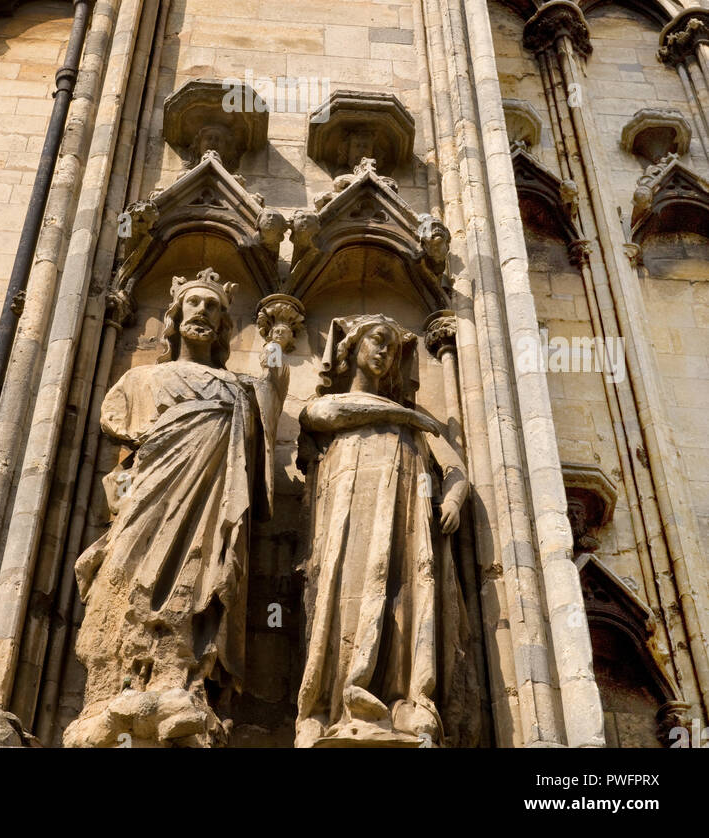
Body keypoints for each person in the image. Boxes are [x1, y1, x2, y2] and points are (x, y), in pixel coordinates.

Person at [64, 269, 286, 748]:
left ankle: (180, 676)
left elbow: (257, 447)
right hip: (148, 500)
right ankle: (117, 683)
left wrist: (275, 368)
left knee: (203, 580)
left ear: (225, 324)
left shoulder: (238, 389)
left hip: (210, 508)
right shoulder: (139, 381)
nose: (202, 312)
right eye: (194, 304)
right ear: (175, 315)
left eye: (213, 307)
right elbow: (125, 444)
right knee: (125, 578)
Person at [296, 314, 474, 748]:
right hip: (349, 523)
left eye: (393, 349)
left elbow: (455, 469)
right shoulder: (348, 408)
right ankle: (344, 705)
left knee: (406, 606)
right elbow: (323, 412)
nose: (384, 353)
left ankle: (407, 702)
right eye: (377, 341)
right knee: (346, 603)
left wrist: (451, 499)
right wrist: (407, 417)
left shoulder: (415, 422)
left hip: (408, 526)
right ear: (351, 348)